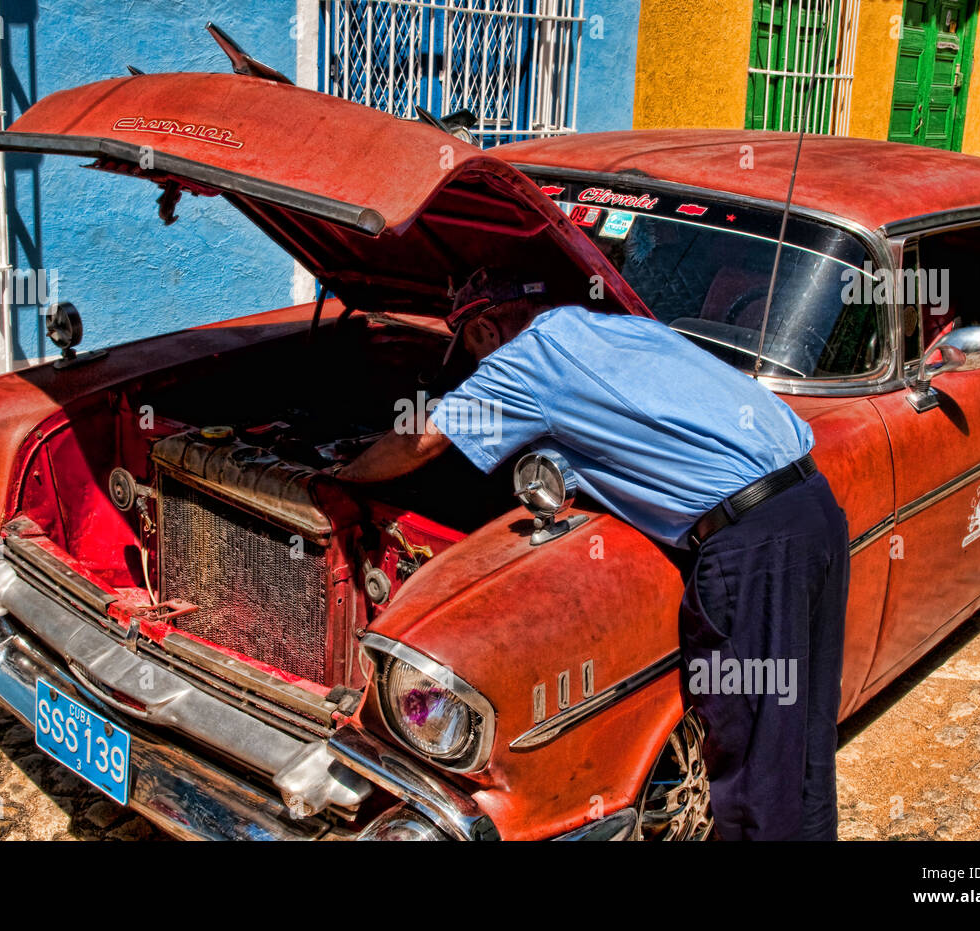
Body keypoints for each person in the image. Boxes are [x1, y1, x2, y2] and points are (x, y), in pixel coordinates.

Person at [336, 268, 850, 841]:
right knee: (800, 737)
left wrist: (340, 476)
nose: (473, 368)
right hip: (812, 506)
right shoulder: (621, 329)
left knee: (752, 750)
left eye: (468, 351)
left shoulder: (527, 363)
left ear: (482, 328)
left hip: (749, 542)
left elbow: (422, 438)